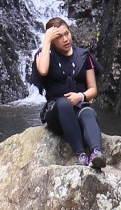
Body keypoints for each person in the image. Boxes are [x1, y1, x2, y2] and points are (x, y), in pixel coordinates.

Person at [32, 17, 103, 167]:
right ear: (52, 39)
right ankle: (81, 155)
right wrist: (46, 42)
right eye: (59, 36)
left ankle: (96, 154)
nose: (65, 39)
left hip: (79, 106)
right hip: (56, 112)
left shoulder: (83, 56)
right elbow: (43, 70)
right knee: (63, 104)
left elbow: (93, 89)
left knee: (88, 112)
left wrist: (81, 96)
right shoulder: (44, 54)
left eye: (67, 34)